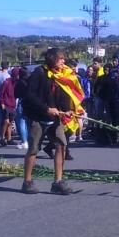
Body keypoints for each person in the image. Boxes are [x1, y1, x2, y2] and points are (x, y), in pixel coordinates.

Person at [21, 48, 83, 195]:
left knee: (61, 145)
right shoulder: (39, 73)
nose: (63, 61)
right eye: (60, 59)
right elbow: (29, 95)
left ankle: (58, 182)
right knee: (34, 149)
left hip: (55, 119)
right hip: (38, 117)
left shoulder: (60, 75)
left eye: (63, 59)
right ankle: (27, 181)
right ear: (52, 59)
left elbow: (62, 96)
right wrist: (46, 109)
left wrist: (67, 110)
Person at [0, 67, 18, 146]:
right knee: (6, 121)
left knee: (10, 122)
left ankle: (9, 138)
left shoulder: (16, 83)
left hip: (13, 105)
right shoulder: (6, 82)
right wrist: (2, 103)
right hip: (6, 104)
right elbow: (1, 93)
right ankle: (2, 137)